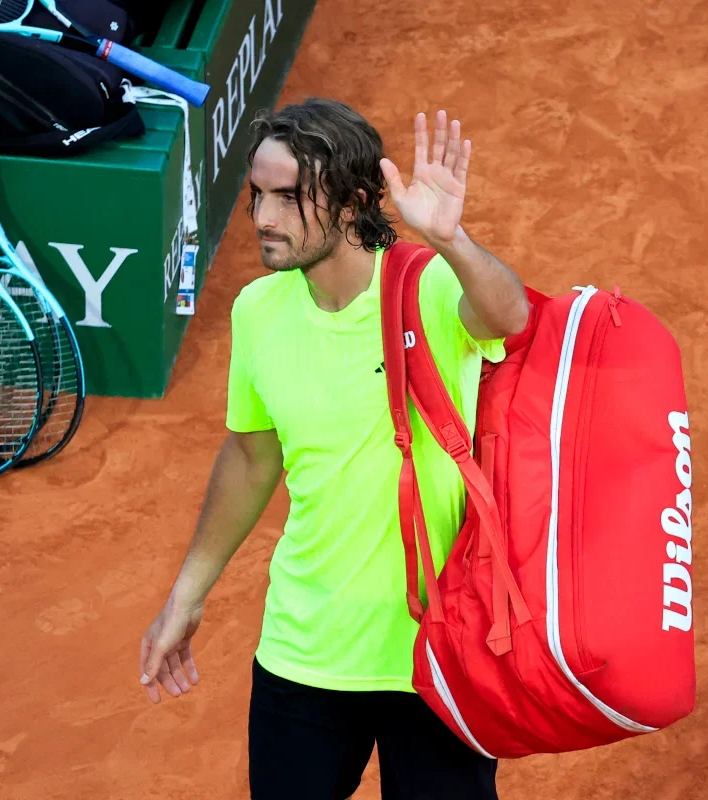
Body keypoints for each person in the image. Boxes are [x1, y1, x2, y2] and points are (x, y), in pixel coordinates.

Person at [138, 98, 530, 799]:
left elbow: (510, 317)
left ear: (353, 205)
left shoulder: (430, 286)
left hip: (435, 655)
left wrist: (453, 241)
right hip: (303, 654)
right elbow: (253, 457)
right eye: (258, 195)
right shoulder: (257, 313)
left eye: (288, 199)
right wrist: (187, 593)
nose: (261, 219)